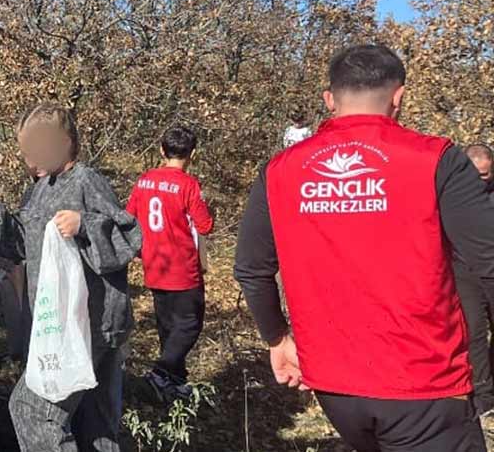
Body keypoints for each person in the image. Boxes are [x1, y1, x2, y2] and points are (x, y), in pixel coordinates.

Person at [234, 44, 494, 452]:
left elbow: (251, 268)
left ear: (329, 100)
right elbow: (489, 260)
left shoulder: (280, 169)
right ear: (399, 97)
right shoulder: (436, 159)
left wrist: (277, 338)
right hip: (425, 383)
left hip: (334, 386)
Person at [0, 103, 141, 452]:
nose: (29, 161)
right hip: (60, 324)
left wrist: (85, 225)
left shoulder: (87, 181)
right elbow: (22, 240)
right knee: (94, 426)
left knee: (32, 409)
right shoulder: (41, 187)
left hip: (91, 324)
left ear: (64, 142)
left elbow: (128, 236)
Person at [125, 125, 214, 401]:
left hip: (155, 266)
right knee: (189, 325)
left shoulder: (144, 181)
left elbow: (129, 217)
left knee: (167, 327)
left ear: (162, 150)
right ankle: (161, 373)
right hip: (183, 269)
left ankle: (172, 384)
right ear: (193, 154)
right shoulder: (188, 185)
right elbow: (206, 225)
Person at [458, 141, 494, 416]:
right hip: (463, 272)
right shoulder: (451, 192)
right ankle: (483, 395)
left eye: (486, 174)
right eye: (477, 174)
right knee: (474, 333)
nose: (481, 180)